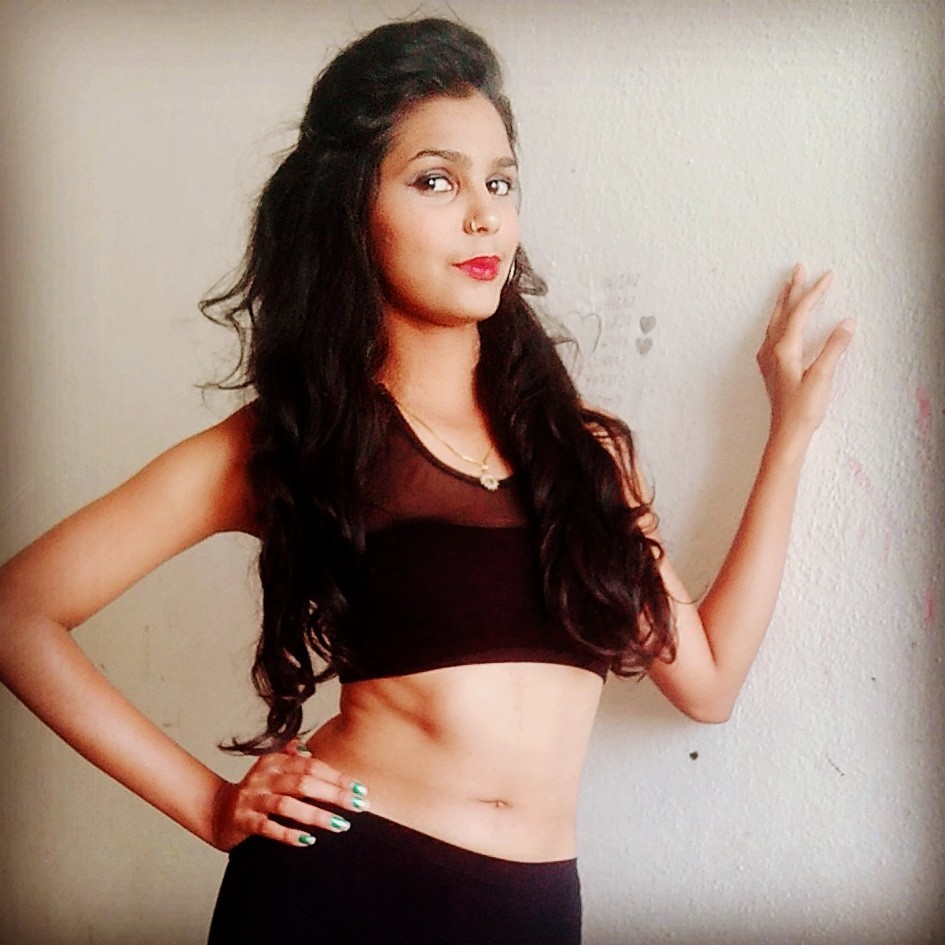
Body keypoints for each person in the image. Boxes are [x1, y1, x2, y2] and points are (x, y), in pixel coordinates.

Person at [0, 17, 854, 945]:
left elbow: (709, 683)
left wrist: (788, 435)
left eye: (499, 182)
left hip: (529, 912)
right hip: (336, 891)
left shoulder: (584, 453)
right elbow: (18, 611)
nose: (483, 215)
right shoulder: (295, 438)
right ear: (352, 208)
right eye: (435, 181)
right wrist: (208, 804)